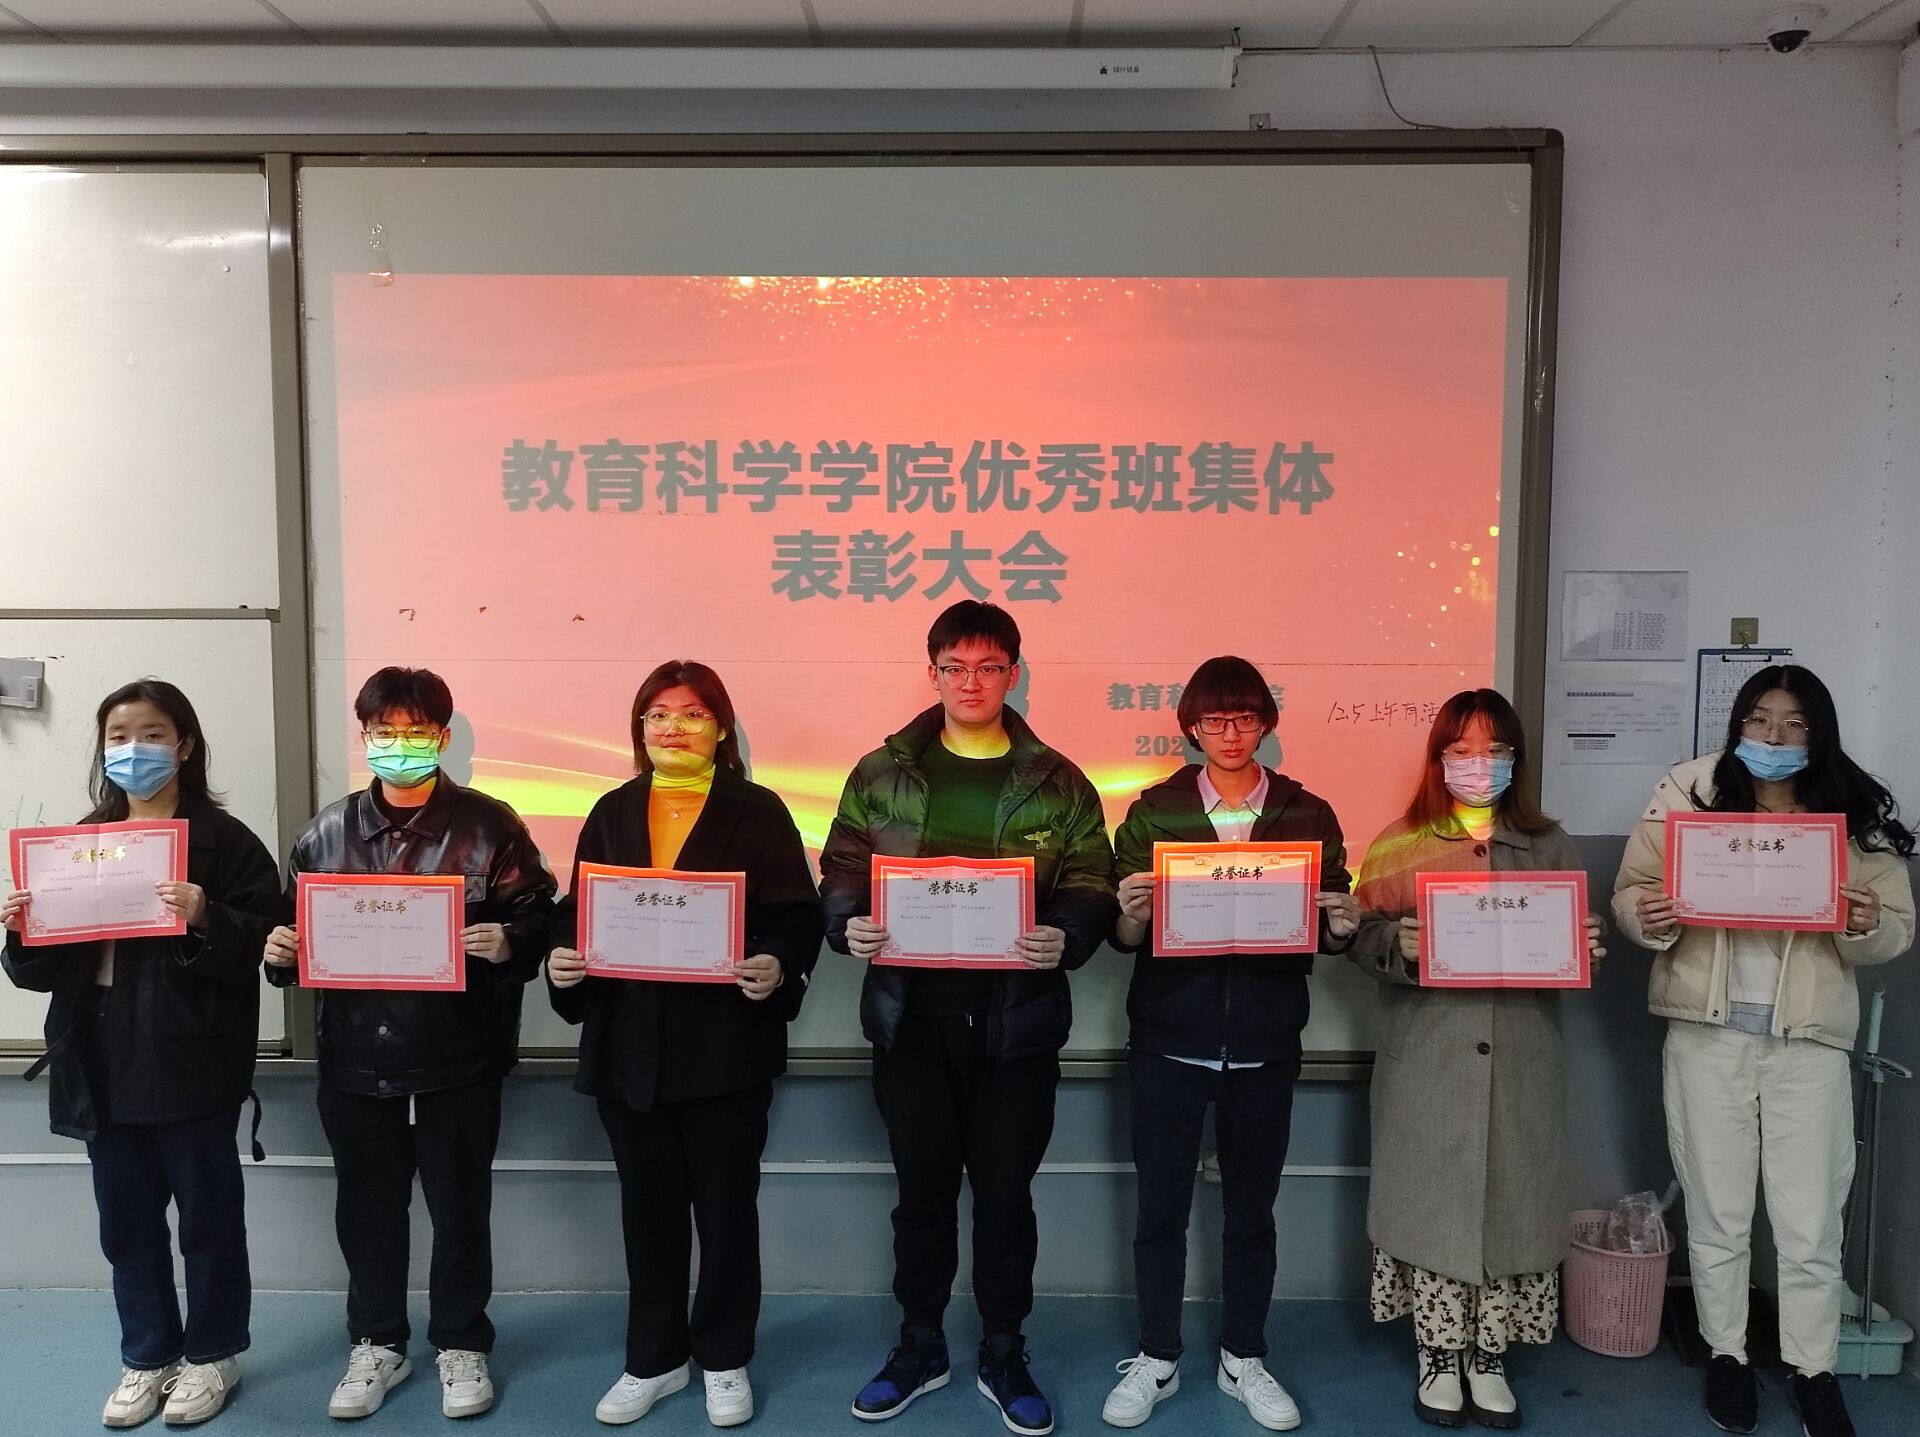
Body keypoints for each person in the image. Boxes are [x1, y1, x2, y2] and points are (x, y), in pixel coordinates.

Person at [820, 600, 1118, 1437]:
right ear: (933, 673)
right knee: (919, 1197)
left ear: (1013, 674)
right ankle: (920, 1344)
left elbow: (1091, 879)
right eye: (955, 667)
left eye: (989, 667)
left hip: (1015, 1024)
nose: (972, 682)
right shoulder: (880, 771)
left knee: (1004, 1198)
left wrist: (1068, 932)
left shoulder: (1058, 779)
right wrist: (847, 921)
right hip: (910, 1021)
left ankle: (1003, 1348)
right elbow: (842, 866)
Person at [1612, 665, 1914, 1437]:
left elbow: (1894, 927)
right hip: (1706, 1034)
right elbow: (1631, 893)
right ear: (1737, 721)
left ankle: (1814, 1368)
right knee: (1717, 1209)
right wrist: (1648, 916)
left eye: (1794, 723)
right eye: (1759, 718)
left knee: (1811, 1221)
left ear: (1819, 733)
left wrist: (1865, 923)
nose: (1774, 736)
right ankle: (1727, 1354)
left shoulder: (1852, 808)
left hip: (1807, 1042)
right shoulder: (1689, 790)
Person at [262, 667, 555, 1422]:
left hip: (460, 1054)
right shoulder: (325, 833)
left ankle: (461, 1340)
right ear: (363, 736)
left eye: (415, 730)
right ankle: (377, 1341)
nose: (398, 743)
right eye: (383, 731)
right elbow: (289, 931)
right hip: (355, 1057)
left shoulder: (490, 827)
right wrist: (280, 952)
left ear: (443, 736)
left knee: (460, 1206)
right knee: (368, 1208)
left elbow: (539, 914)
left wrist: (510, 940)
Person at [545, 661, 824, 1428]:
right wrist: (564, 957)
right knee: (648, 1214)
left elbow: (797, 917)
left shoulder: (758, 810)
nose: (674, 727)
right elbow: (578, 909)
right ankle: (655, 1359)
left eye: (693, 713)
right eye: (658, 713)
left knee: (727, 1213)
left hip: (724, 1050)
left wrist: (778, 960)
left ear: (721, 727)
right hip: (628, 1049)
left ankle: (725, 1355)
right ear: (640, 728)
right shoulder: (612, 809)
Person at [2, 680, 283, 1428]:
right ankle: (148, 1354)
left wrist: (207, 914)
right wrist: (23, 932)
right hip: (98, 1050)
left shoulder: (226, 841)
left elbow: (273, 940)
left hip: (192, 1055)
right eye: (118, 736)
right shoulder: (77, 840)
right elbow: (41, 972)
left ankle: (214, 1352)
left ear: (184, 744)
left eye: (152, 734)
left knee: (208, 1218)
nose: (134, 749)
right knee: (125, 1221)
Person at [1101, 656, 1359, 1432]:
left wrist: (1342, 927)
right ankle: (1157, 1355)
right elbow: (1123, 935)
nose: (1231, 732)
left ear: (1266, 723)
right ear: (1191, 727)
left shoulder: (1308, 812)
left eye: (1245, 717)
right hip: (1168, 1040)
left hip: (1265, 1042)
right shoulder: (1155, 811)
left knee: (1252, 1213)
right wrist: (1131, 912)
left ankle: (1244, 1355)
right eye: (1215, 719)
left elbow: (1331, 927)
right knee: (1160, 1210)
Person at [1346, 690, 1606, 1430]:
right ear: (1438, 758)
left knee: (1511, 1203)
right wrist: (1393, 945)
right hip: (1430, 1060)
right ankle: (1437, 1353)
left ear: (1516, 759)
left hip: (1522, 1057)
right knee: (1435, 1203)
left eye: (1495, 750)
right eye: (1461, 750)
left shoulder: (1551, 846)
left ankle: (1490, 1356)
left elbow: (1568, 944)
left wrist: (1585, 947)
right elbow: (1357, 937)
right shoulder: (1400, 842)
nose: (1478, 764)